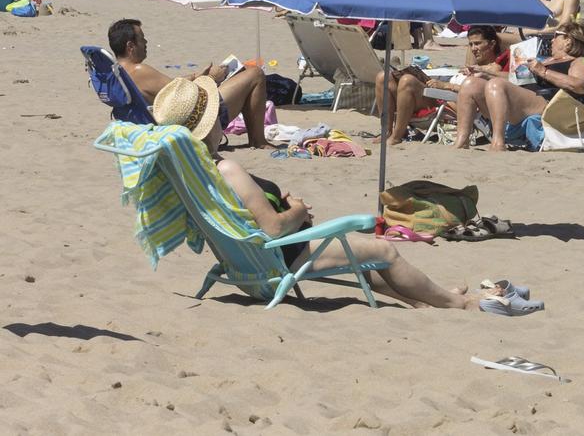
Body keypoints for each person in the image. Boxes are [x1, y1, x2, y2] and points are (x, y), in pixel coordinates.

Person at [148, 76, 540, 314]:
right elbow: (271, 228)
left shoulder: (193, 173)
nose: (223, 120)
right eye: (218, 116)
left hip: (247, 260)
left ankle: (425, 297)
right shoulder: (227, 169)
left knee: (364, 255)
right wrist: (297, 211)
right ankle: (457, 303)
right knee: (381, 251)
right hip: (282, 255)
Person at [107, 18, 271, 148]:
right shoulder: (139, 70)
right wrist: (214, 78)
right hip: (197, 120)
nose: (146, 42)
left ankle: (257, 140)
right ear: (130, 46)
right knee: (255, 74)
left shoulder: (118, 73)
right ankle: (258, 141)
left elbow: (172, 86)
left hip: (168, 121)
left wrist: (196, 75)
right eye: (142, 39)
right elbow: (183, 97)